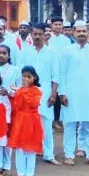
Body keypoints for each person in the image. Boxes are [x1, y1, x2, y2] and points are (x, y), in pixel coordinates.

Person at [59, 20, 89, 166]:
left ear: (88, 33)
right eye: (78, 31)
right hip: (70, 94)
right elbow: (62, 73)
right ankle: (69, 155)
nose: (81, 34)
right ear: (73, 32)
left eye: (84, 31)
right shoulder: (66, 51)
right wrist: (62, 93)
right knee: (70, 125)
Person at [16, 23, 59, 164]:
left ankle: (49, 154)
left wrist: (53, 94)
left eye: (40, 34)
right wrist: (22, 92)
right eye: (35, 34)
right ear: (31, 34)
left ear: (45, 34)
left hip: (45, 92)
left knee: (46, 124)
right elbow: (20, 74)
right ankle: (29, 151)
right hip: (28, 93)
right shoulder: (25, 52)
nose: (37, 37)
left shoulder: (52, 53)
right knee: (28, 123)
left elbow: (55, 75)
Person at [9, 66, 43, 176]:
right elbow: (17, 105)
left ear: (34, 78)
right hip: (20, 120)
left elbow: (33, 104)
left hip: (32, 120)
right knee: (19, 148)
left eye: (29, 77)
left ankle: (29, 174)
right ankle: (20, 173)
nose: (26, 79)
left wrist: (22, 91)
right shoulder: (19, 90)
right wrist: (19, 91)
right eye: (24, 76)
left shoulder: (37, 91)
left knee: (31, 148)